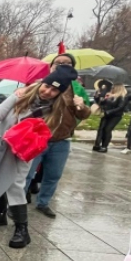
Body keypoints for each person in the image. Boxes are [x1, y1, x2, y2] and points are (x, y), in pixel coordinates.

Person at [0, 65, 76, 249]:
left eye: (54, 90)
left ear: (59, 93)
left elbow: (47, 135)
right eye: (47, 86)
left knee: (15, 186)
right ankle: (0, 214)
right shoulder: (21, 96)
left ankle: (22, 230)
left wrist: (26, 133)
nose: (48, 92)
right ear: (42, 83)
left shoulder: (55, 111)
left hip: (22, 152)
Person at [17, 54, 91, 218]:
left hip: (61, 141)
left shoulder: (76, 89)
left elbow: (85, 114)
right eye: (58, 63)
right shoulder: (41, 85)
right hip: (37, 139)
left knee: (53, 175)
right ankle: (17, 204)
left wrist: (81, 106)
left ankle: (43, 203)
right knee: (27, 174)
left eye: (67, 63)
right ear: (51, 66)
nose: (62, 65)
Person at [93, 82, 128, 153]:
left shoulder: (121, 97)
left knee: (107, 129)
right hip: (106, 114)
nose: (112, 89)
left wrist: (108, 112)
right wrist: (97, 97)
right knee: (101, 129)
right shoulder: (110, 95)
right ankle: (97, 145)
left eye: (113, 88)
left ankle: (104, 146)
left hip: (115, 116)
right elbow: (101, 103)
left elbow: (120, 107)